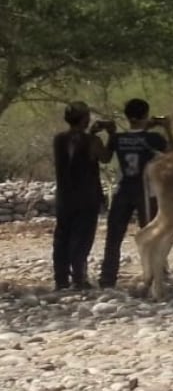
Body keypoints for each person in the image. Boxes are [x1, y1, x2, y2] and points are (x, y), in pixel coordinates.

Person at [98, 98, 173, 289]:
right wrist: (167, 129)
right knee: (152, 233)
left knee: (114, 235)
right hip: (146, 191)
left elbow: (106, 158)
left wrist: (110, 134)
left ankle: (107, 277)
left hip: (123, 190)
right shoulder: (154, 139)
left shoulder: (118, 139)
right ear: (146, 115)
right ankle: (156, 273)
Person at [51, 102, 109, 291]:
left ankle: (61, 279)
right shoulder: (92, 142)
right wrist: (111, 135)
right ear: (85, 119)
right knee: (82, 237)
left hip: (64, 196)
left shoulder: (59, 139)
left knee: (62, 237)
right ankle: (79, 278)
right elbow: (105, 157)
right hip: (87, 196)